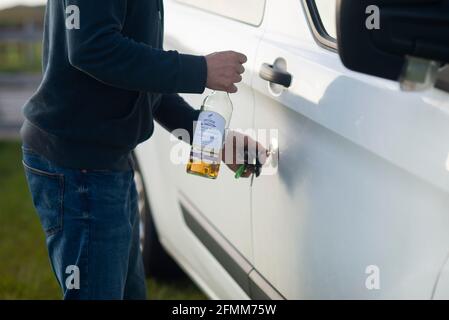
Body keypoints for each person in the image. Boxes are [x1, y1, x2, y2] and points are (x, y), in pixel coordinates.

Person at [21, 0, 260, 300]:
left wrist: (213, 139)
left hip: (109, 165)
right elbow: (91, 48)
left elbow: (143, 80)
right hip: (79, 170)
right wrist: (200, 70)